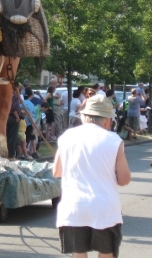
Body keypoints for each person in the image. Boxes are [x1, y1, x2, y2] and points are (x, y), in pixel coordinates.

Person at [53, 94, 131, 258]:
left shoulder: (67, 136)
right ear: (107, 120)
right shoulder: (113, 140)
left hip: (74, 207)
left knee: (78, 254)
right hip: (104, 209)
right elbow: (124, 179)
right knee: (106, 253)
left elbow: (57, 171)